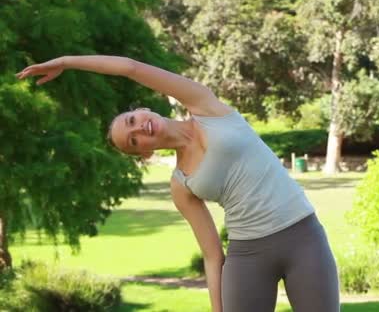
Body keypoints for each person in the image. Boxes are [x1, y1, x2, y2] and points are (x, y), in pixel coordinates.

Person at [17, 55, 340, 312]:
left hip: (302, 236)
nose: (140, 129)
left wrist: (67, 62)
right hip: (248, 255)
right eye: (133, 140)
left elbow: (129, 68)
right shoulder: (181, 184)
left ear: (142, 110)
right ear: (142, 153)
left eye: (132, 121)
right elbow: (213, 256)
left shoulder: (204, 105)